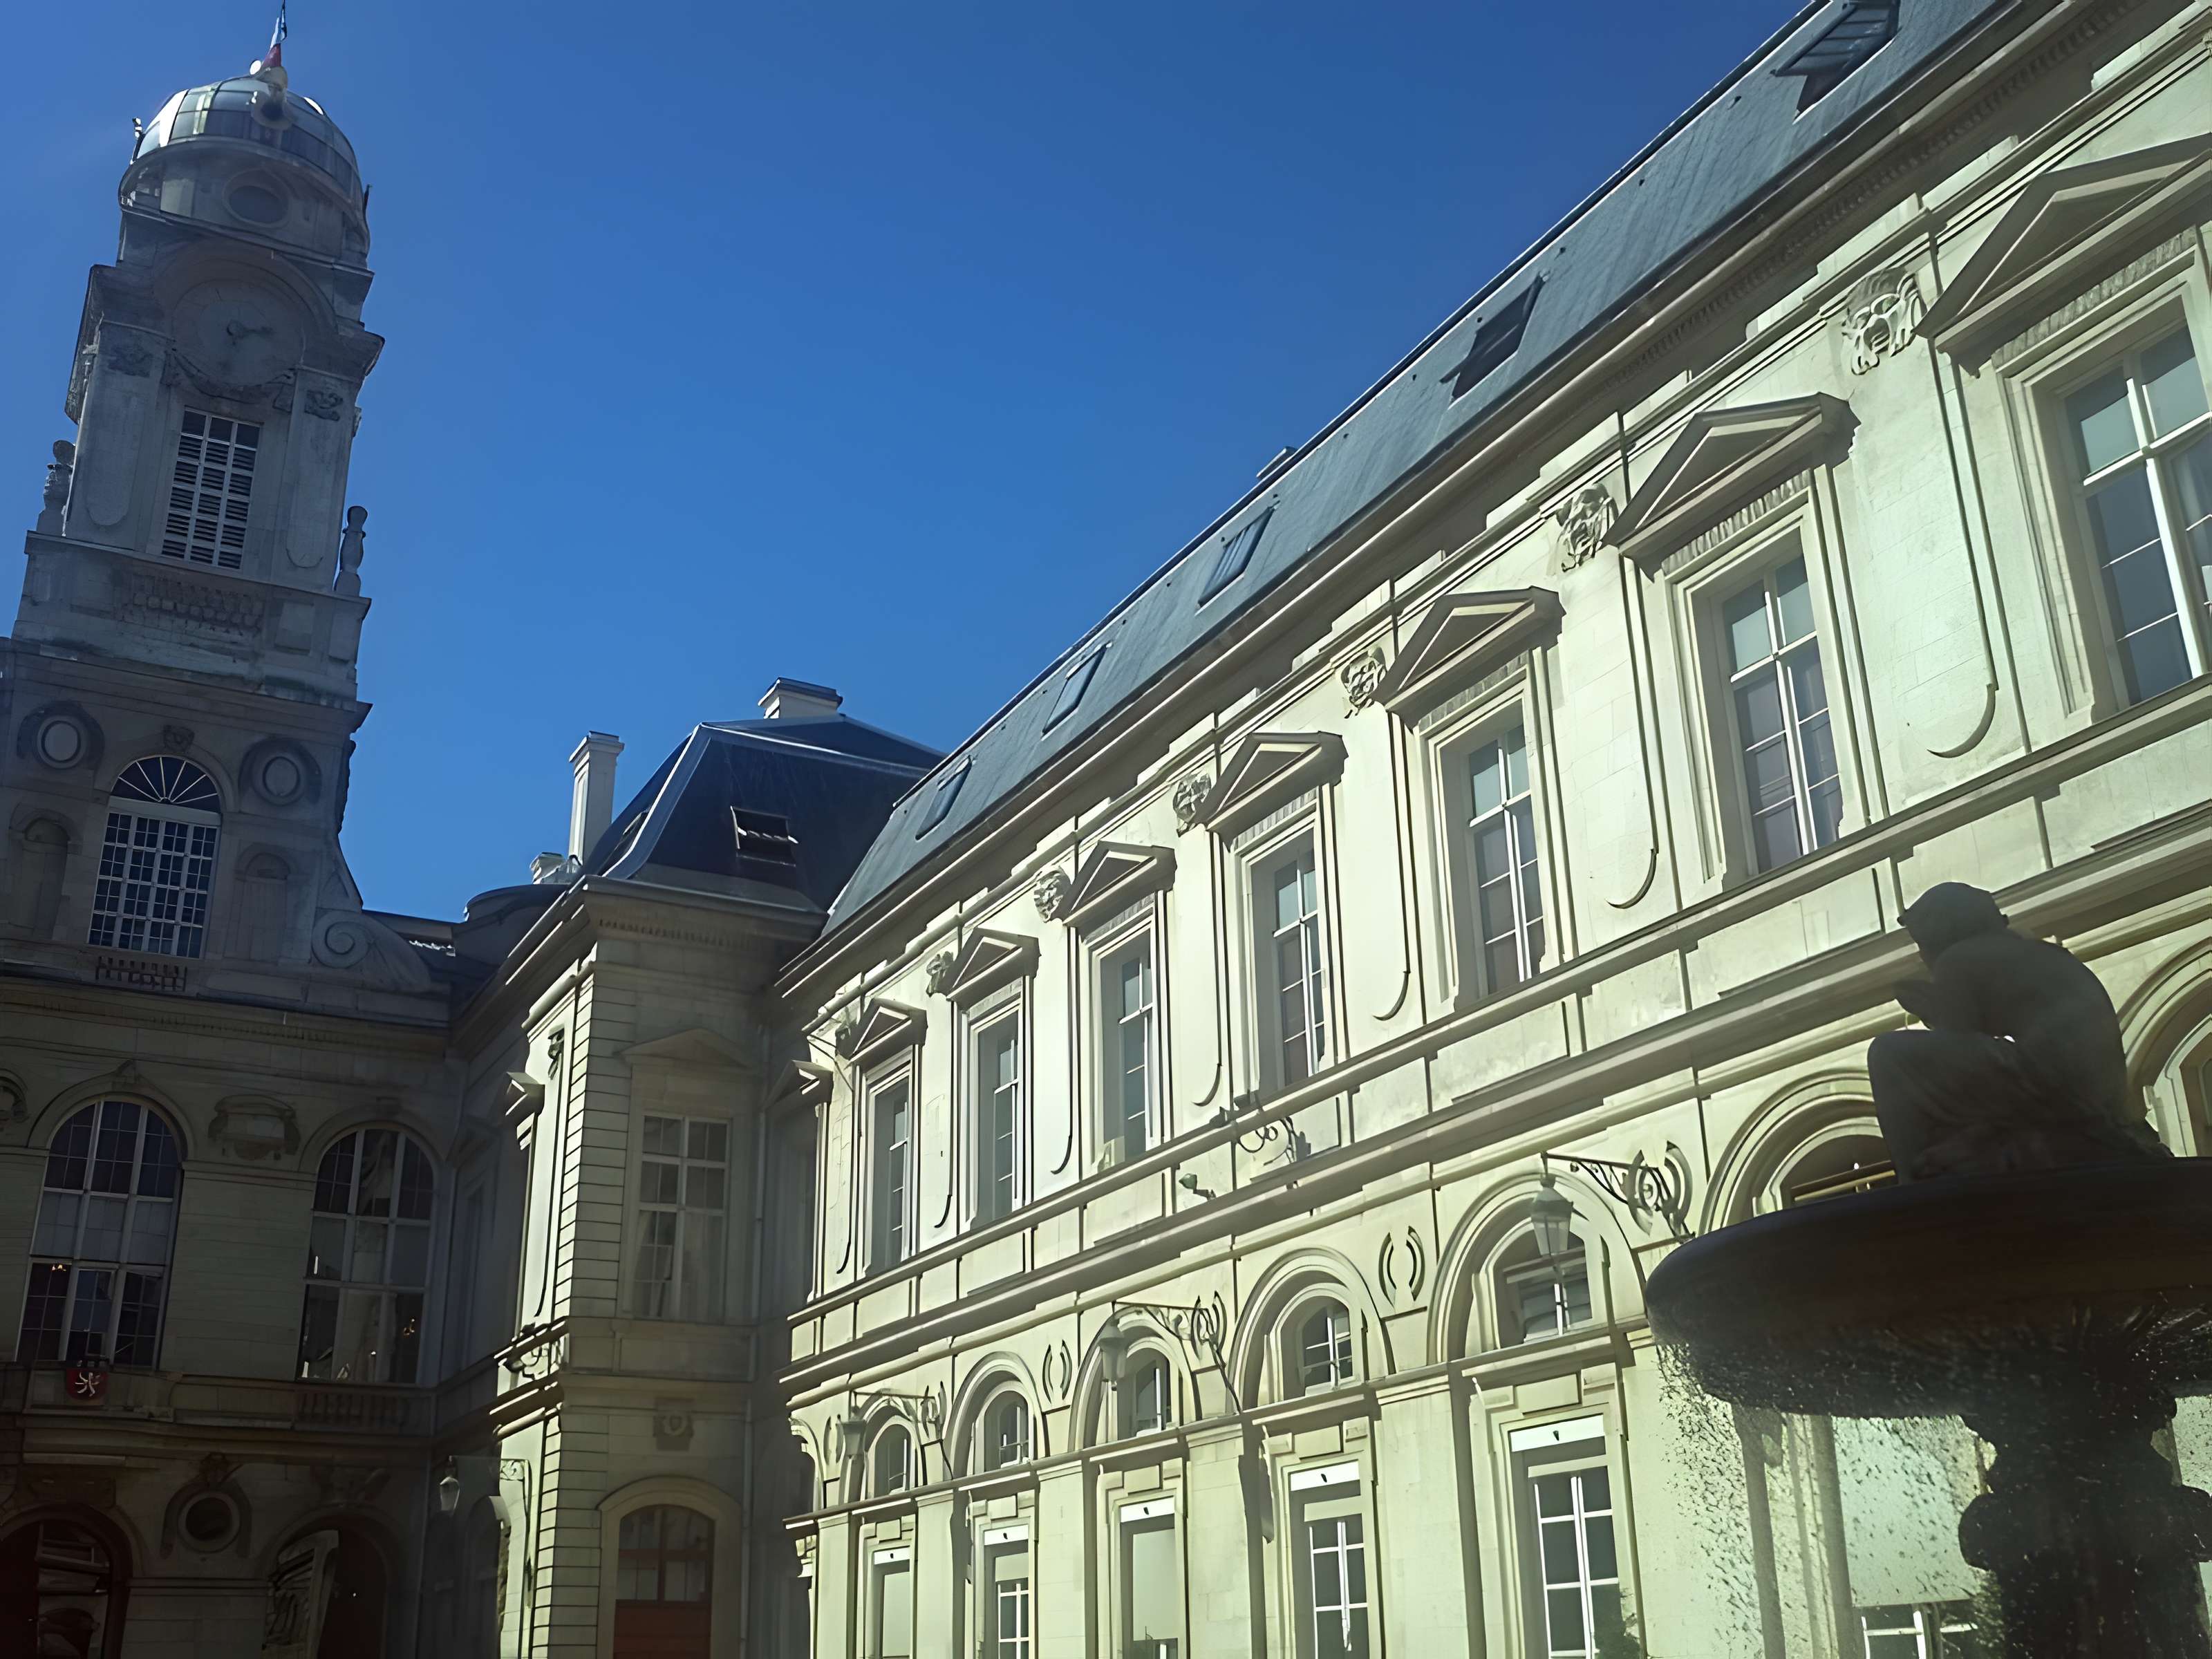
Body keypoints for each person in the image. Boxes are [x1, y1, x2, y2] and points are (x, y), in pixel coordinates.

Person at [1868, 883, 2159, 1179]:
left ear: (1940, 932)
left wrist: (1930, 1009)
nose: (1922, 956)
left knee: (1887, 1053)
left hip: (2050, 1081)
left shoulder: (1958, 960)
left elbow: (1956, 1045)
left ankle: (1913, 1182)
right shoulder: (2038, 952)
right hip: (2089, 1091)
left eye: (1921, 943)